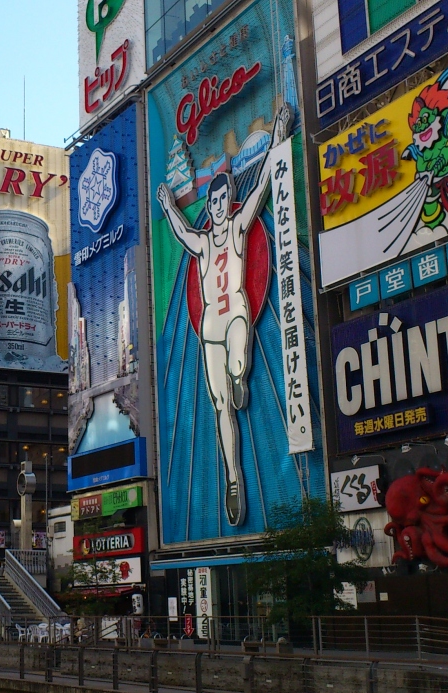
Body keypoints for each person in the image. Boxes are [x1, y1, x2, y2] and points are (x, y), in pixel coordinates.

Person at [156, 103, 291, 528]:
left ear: (226, 200)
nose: (216, 205)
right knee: (220, 409)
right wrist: (166, 206)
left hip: (235, 313)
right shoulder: (200, 241)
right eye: (212, 200)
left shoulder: (236, 228)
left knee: (237, 353)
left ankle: (238, 376)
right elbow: (180, 232)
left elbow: (264, 182)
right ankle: (233, 478)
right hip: (209, 325)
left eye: (221, 199)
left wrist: (281, 133)